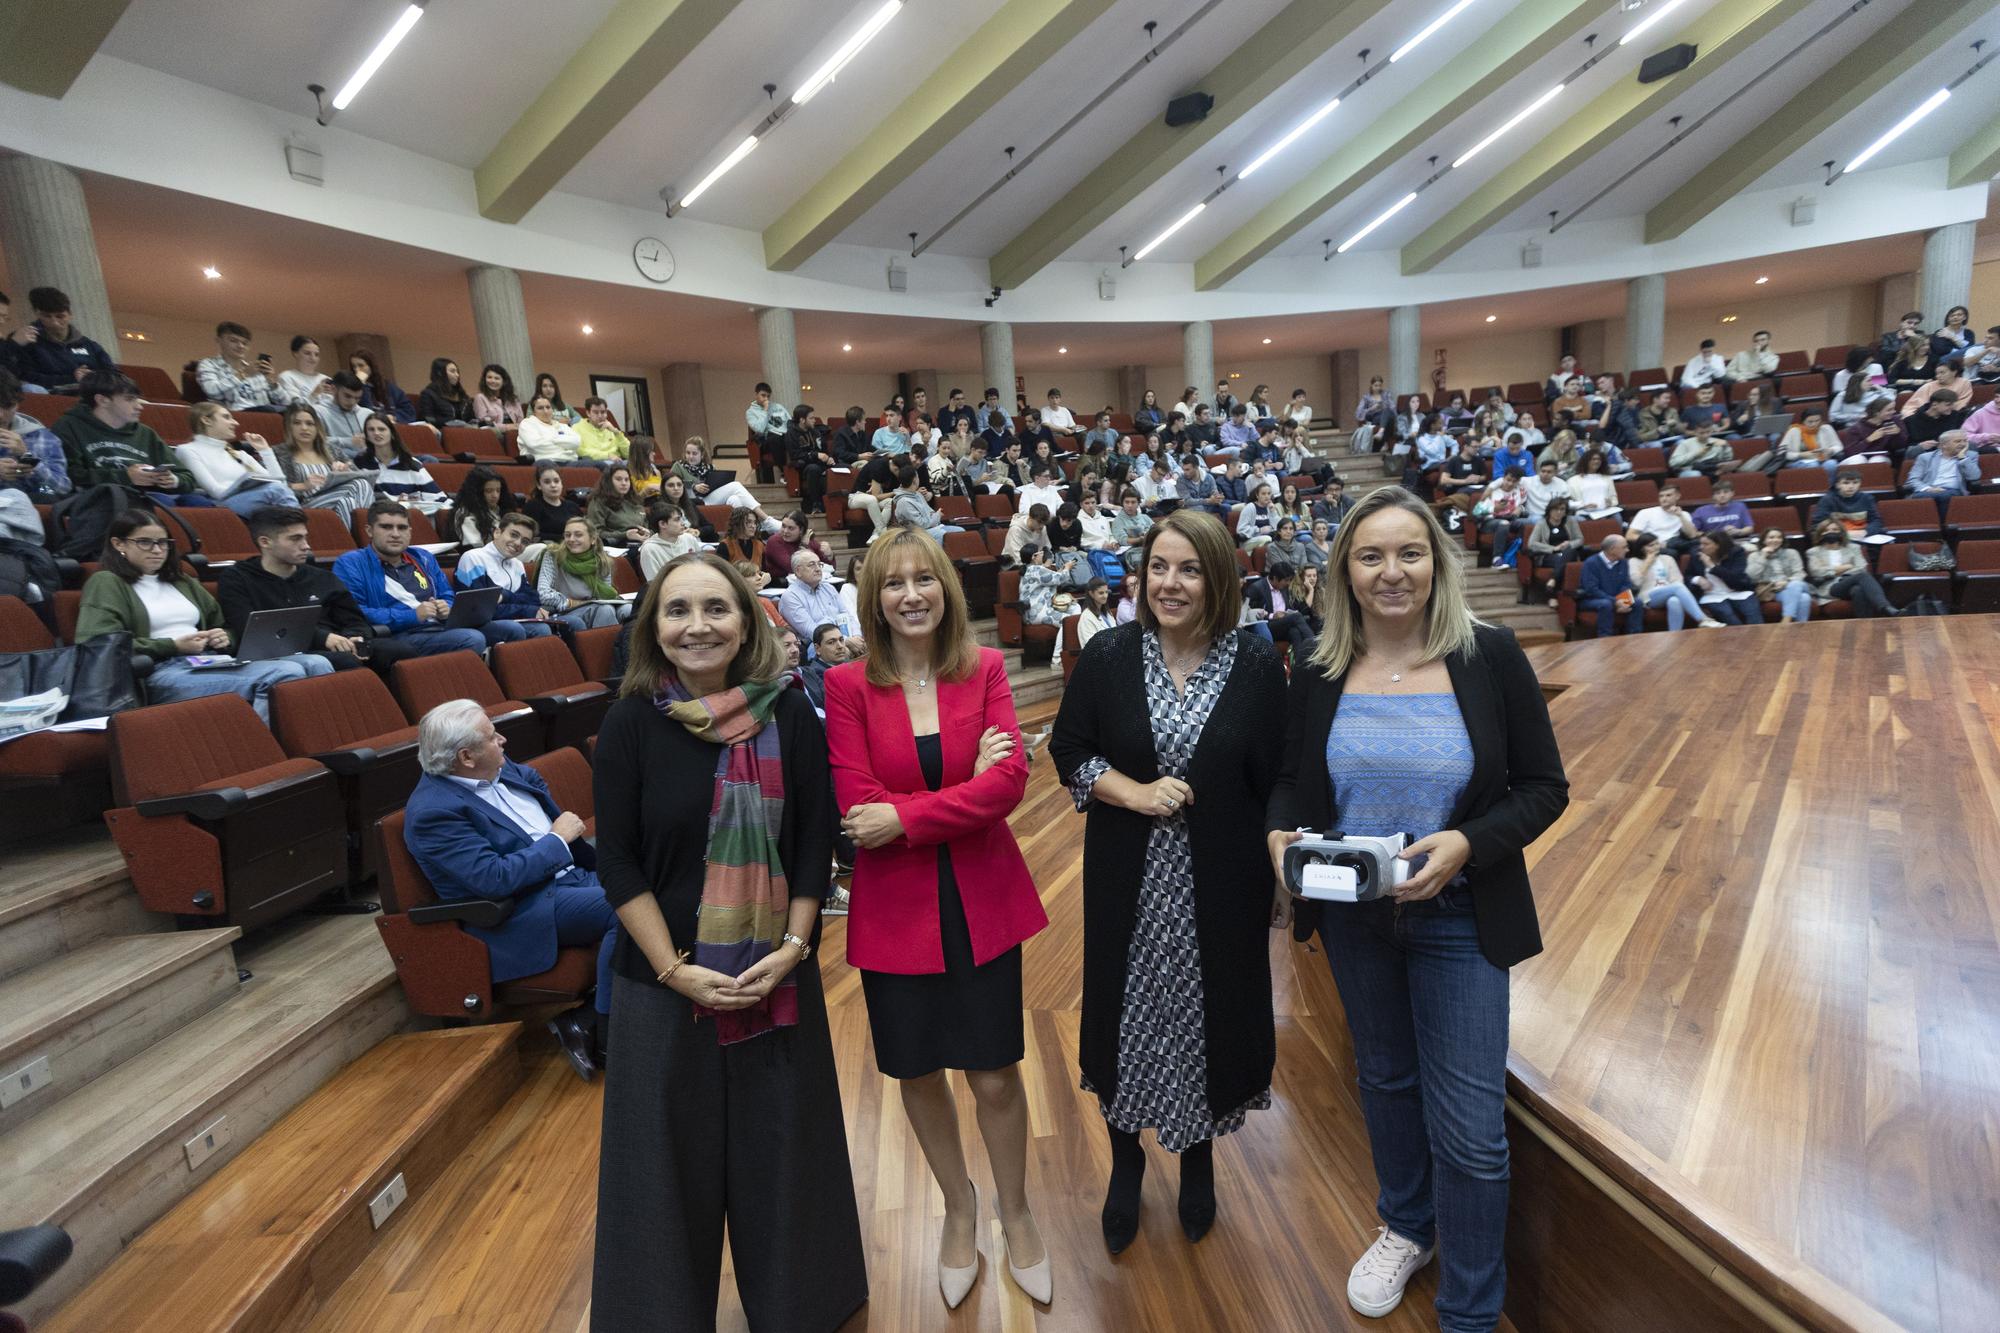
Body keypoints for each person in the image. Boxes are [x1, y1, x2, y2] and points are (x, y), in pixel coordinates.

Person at [1264, 486, 1567, 1330]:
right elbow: (1291, 778)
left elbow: (1545, 789)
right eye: (1371, 556)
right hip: (1358, 915)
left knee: (1471, 1129)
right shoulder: (1321, 666)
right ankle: (1407, 1223)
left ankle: (1471, 1311)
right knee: (1386, 1081)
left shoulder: (1490, 654)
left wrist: (1468, 842)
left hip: (1463, 915)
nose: (1391, 572)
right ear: (1345, 571)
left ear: (1437, 561)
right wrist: (1278, 838)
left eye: (1409, 553)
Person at [588, 550, 866, 1329]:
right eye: (678, 610)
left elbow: (815, 844)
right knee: (659, 1169)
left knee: (786, 1149)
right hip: (661, 987)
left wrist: (796, 948)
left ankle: (800, 1302)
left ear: (747, 620)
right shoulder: (630, 722)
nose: (697, 625)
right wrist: (675, 971)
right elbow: (618, 862)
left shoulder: (787, 714)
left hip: (776, 974)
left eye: (716, 607)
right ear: (655, 627)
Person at [820, 527, 1051, 1306]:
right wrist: (964, 794)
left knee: (993, 1071)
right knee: (916, 1070)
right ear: (874, 598)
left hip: (980, 899)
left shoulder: (983, 667)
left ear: (947, 589)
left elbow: (1011, 782)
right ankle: (961, 1206)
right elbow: (858, 809)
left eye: (925, 578)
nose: (911, 593)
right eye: (894, 582)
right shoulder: (848, 686)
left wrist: (907, 816)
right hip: (896, 913)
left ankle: (1016, 1209)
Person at [1049, 509, 1288, 1255]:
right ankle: (1125, 1164)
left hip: (1222, 885)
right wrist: (1135, 790)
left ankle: (1196, 1161)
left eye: (1188, 569)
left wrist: (1281, 870)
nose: (1170, 583)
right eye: (1158, 566)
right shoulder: (1110, 655)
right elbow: (1071, 751)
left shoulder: (1253, 662)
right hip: (1131, 882)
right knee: (1127, 1019)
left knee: (1208, 1019)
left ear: (1217, 577)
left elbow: (1275, 775)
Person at [404, 699, 617, 1078]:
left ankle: (596, 1018)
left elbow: (533, 787)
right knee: (628, 906)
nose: (502, 740)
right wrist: (556, 842)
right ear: (466, 756)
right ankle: (603, 1028)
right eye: (492, 737)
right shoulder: (433, 813)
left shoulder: (499, 769)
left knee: (662, 883)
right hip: (523, 908)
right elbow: (493, 879)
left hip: (569, 878)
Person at [79, 510, 330, 719]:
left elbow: (224, 625)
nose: (157, 550)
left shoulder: (181, 581)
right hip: (161, 673)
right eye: (145, 542)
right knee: (284, 673)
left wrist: (223, 637)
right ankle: (268, 752)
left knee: (317, 663)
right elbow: (101, 643)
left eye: (163, 543)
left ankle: (323, 741)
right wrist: (173, 646)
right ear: (118, 544)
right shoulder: (107, 582)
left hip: (209, 661)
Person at [334, 500, 513, 656]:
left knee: (512, 630)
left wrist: (447, 607)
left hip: (440, 627)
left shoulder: (423, 557)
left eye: (402, 528)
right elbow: (355, 613)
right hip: (399, 634)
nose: (395, 534)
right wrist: (412, 616)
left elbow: (447, 594)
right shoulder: (351, 563)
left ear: (410, 532)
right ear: (369, 530)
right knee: (471, 638)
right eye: (386, 527)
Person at [54, 372, 210, 505]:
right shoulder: (69, 426)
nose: (139, 406)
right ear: (102, 400)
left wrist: (172, 480)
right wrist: (126, 477)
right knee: (162, 501)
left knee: (199, 502)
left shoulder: (146, 433)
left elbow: (187, 478)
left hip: (153, 494)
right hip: (104, 497)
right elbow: (68, 475)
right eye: (130, 399)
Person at [177, 403, 295, 516]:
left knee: (277, 491)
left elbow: (281, 484)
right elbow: (216, 492)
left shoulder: (240, 455)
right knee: (274, 491)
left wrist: (265, 451)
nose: (236, 423)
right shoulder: (188, 450)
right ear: (206, 420)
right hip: (220, 504)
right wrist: (244, 484)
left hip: (254, 500)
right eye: (226, 417)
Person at [453, 512, 557, 639]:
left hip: (508, 619)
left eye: (525, 541)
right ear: (497, 532)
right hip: (475, 625)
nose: (518, 543)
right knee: (536, 629)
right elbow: (482, 610)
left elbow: (532, 599)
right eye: (514, 535)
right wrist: (524, 609)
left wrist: (505, 596)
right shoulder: (473, 558)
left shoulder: (517, 564)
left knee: (560, 623)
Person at [273, 402, 372, 526]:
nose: (304, 428)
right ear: (289, 427)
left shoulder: (332, 450)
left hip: (336, 498)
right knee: (359, 484)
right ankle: (369, 537)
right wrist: (303, 485)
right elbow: (272, 488)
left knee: (349, 503)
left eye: (310, 423)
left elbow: (356, 473)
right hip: (305, 503)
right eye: (297, 423)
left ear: (317, 427)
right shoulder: (278, 453)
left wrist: (346, 471)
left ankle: (351, 542)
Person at [539, 517, 630, 631]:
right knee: (605, 609)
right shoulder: (553, 556)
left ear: (592, 539)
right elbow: (543, 594)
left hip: (595, 606)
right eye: (567, 535)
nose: (571, 539)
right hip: (564, 611)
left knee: (629, 609)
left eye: (578, 535)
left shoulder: (601, 560)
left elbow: (604, 595)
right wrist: (572, 603)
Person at [18, 287, 115, 392]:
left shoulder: (89, 345)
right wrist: (72, 378)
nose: (54, 322)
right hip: (51, 396)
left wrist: (92, 378)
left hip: (92, 394)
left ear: (70, 315)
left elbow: (114, 374)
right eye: (47, 316)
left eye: (60, 316)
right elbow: (27, 377)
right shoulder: (26, 342)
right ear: (38, 314)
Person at [0, 369, 71, 500]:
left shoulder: (41, 436)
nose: (1, 415)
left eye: (8, 406)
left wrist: (29, 459)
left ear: (18, 404)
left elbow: (62, 488)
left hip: (29, 507)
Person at [1628, 532, 1723, 630]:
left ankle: (1674, 635)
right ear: (1642, 548)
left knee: (1675, 600)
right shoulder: (1634, 561)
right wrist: (1647, 563)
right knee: (1677, 587)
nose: (1656, 547)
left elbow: (1677, 580)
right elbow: (1636, 582)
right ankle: (1703, 619)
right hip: (1649, 596)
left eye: (1657, 543)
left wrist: (1669, 588)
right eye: (1651, 545)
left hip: (1670, 591)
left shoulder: (1667, 559)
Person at [353, 412, 446, 511]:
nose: (376, 433)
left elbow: (438, 499)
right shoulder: (360, 462)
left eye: (381, 429)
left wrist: (411, 503)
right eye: (371, 430)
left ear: (392, 433)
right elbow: (361, 499)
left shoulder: (411, 464)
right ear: (366, 435)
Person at [775, 549, 861, 655]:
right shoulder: (791, 596)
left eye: (819, 564)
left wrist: (857, 636)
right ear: (798, 571)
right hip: (819, 645)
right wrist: (846, 641)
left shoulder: (829, 588)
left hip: (845, 639)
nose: (818, 569)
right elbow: (813, 632)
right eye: (812, 565)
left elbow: (847, 616)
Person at [1805, 518, 1893, 618]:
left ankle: (1864, 624)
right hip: (1830, 588)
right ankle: (1885, 608)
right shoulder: (1813, 552)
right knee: (1862, 577)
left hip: (1849, 583)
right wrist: (1846, 566)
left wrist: (1832, 570)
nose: (1831, 532)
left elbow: (1861, 568)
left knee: (1857, 589)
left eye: (1835, 530)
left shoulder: (1853, 548)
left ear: (1841, 532)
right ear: (1820, 534)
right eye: (1826, 530)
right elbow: (1816, 572)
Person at [1688, 530, 1761, 625]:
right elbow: (1687, 576)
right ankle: (1740, 639)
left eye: (1706, 544)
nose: (1701, 547)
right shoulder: (1696, 555)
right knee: (1728, 616)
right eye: (1700, 543)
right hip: (1712, 595)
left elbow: (1736, 578)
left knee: (1752, 613)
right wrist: (1697, 579)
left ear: (1718, 545)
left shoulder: (1736, 553)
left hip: (1739, 591)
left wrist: (1712, 567)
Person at [1578, 534, 1641, 636]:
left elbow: (1626, 583)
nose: (1628, 550)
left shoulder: (1623, 562)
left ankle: (1634, 636)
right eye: (1624, 547)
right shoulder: (1591, 563)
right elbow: (1592, 590)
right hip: (1591, 599)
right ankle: (1605, 638)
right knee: (1606, 604)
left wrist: (1623, 601)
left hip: (1615, 598)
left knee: (1637, 602)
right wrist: (1615, 602)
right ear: (1612, 549)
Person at [1525, 497, 1584, 607]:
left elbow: (1580, 539)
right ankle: (1553, 590)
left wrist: (1569, 544)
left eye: (1562, 509)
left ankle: (1552, 586)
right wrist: (1553, 549)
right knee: (1563, 562)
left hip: (1567, 553)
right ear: (1549, 510)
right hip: (1548, 555)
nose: (1559, 512)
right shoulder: (1541, 523)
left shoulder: (1571, 521)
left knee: (1568, 552)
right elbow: (1532, 544)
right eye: (1556, 509)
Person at [1747, 528, 1811, 623]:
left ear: (1782, 540)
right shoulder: (1754, 556)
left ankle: (1786, 620)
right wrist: (1763, 557)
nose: (1775, 540)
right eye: (1771, 537)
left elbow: (1800, 573)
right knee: (1804, 598)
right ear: (1764, 540)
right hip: (1773, 590)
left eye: (1779, 537)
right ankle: (1801, 629)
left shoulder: (1792, 553)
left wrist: (1787, 582)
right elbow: (1751, 576)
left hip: (1797, 584)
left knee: (1795, 584)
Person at [346, 349, 419, 425]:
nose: (357, 370)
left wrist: (393, 417)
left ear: (371, 366)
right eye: (354, 367)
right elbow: (366, 411)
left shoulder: (388, 386)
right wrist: (362, 386)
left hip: (394, 424)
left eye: (361, 366)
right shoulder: (353, 391)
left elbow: (409, 411)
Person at [1626, 483, 1698, 559]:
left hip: (1676, 542)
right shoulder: (1646, 513)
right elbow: (1630, 536)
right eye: (1661, 496)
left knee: (1697, 549)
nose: (1664, 498)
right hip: (1656, 544)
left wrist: (1680, 516)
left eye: (1668, 495)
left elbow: (1692, 535)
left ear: (1678, 496)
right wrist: (1655, 543)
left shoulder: (1684, 514)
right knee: (1672, 552)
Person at [1905, 428, 1978, 502]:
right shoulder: (1925, 457)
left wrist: (1962, 458)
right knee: (1921, 498)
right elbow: (1913, 479)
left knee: (1945, 496)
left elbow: (1974, 476)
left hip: (1954, 490)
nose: (1963, 444)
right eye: (1958, 441)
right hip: (1928, 489)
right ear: (1944, 445)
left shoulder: (1970, 456)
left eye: (1965, 441)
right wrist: (1928, 488)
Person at [587, 463, 649, 548]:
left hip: (643, 544)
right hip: (616, 546)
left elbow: (646, 525)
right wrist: (625, 535)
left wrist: (647, 532)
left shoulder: (635, 501)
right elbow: (596, 532)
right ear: (609, 481)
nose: (624, 483)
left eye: (627, 480)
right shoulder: (598, 502)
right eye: (618, 479)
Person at [764, 510, 832, 584]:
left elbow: (830, 568)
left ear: (801, 530)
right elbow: (793, 567)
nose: (785, 531)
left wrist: (829, 555)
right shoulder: (774, 541)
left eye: (791, 528)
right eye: (783, 526)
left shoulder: (808, 540)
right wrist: (803, 546)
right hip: (782, 585)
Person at [451, 465, 510, 549]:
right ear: (476, 493)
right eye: (489, 491)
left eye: (498, 490)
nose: (495, 495)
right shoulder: (465, 514)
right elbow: (476, 548)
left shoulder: (501, 509)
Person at [638, 502, 701, 580]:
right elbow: (654, 583)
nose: (683, 523)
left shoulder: (689, 538)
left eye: (682, 519)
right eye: (677, 520)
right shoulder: (649, 549)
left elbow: (701, 567)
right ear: (663, 524)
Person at [1810, 470, 1883, 536]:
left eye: (1855, 483)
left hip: (1863, 534)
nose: (1851, 486)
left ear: (1860, 484)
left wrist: (1866, 532)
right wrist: (1841, 533)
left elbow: (1876, 521)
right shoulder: (1827, 500)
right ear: (1837, 485)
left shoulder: (1867, 498)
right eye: (1846, 483)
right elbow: (1817, 524)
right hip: (1839, 537)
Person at [314, 372, 372, 455]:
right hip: (335, 464)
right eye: (347, 396)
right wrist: (347, 441)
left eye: (357, 398)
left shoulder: (367, 414)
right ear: (333, 389)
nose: (352, 402)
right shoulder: (318, 412)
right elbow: (313, 442)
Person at [523, 463, 583, 543]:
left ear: (561, 483)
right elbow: (531, 534)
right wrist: (564, 538)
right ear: (539, 485)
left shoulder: (573, 506)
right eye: (547, 482)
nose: (553, 485)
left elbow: (584, 530)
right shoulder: (533, 506)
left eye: (556, 481)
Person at [518, 395, 583, 464]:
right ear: (534, 412)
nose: (546, 411)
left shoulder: (562, 425)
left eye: (548, 407)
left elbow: (576, 442)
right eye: (540, 408)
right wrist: (564, 446)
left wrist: (551, 439)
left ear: (552, 410)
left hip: (570, 461)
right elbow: (535, 445)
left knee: (592, 463)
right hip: (544, 462)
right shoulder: (527, 424)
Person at [1839, 397, 1907, 462]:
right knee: (1859, 459)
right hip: (1859, 457)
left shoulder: (1895, 421)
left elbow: (1902, 446)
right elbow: (1850, 453)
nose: (1894, 412)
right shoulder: (1857, 428)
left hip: (1883, 457)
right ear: (1876, 413)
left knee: (1876, 460)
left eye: (1893, 409)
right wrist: (1869, 440)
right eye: (1889, 410)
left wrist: (1898, 434)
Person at [417, 358, 477, 430]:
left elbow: (472, 419)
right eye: (452, 371)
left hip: (466, 431)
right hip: (442, 430)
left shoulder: (463, 396)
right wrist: (450, 423)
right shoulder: (428, 394)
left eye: (457, 372)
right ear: (440, 373)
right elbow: (428, 418)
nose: (457, 375)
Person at [1691, 478, 1757, 541]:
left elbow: (1750, 528)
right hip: (1713, 543)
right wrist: (1710, 535)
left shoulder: (1740, 507)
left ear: (1732, 493)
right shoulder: (1701, 511)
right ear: (1713, 496)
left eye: (1726, 492)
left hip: (1736, 540)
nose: (1722, 495)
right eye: (1718, 493)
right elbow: (1693, 532)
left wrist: (1738, 531)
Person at [574, 397, 630, 466]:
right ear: (588, 413)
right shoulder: (577, 427)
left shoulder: (611, 428)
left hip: (618, 462)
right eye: (596, 412)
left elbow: (629, 454)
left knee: (640, 463)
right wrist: (607, 455)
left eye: (603, 412)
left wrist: (616, 432)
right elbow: (580, 451)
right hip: (596, 463)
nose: (600, 416)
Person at [471, 364, 523, 435]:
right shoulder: (480, 398)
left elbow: (521, 421)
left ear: (504, 381)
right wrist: (507, 427)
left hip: (516, 434)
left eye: (496, 378)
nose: (492, 381)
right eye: (489, 377)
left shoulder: (513, 399)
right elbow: (484, 424)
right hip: (495, 435)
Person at [278, 335, 330, 403]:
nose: (313, 358)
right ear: (295, 354)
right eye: (307, 353)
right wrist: (315, 394)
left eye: (316, 354)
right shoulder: (287, 377)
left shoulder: (325, 379)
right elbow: (294, 405)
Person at [1076, 576, 1116, 647]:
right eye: (1101, 593)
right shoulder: (1086, 617)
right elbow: (1092, 646)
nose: (1105, 596)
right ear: (1091, 594)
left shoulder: (1107, 613)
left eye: (1106, 592)